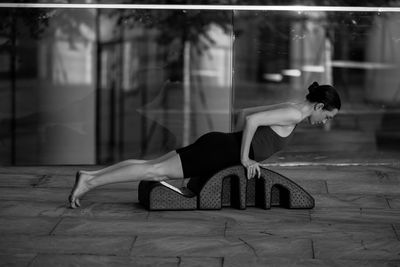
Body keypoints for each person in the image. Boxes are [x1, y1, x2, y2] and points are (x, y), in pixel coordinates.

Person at [68, 81, 341, 208]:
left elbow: (244, 113)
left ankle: (90, 176)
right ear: (319, 106)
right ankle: (90, 183)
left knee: (151, 166)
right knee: (154, 172)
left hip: (219, 145)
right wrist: (244, 157)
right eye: (327, 116)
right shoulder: (294, 114)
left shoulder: (291, 106)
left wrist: (235, 146)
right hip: (219, 150)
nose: (324, 121)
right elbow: (253, 119)